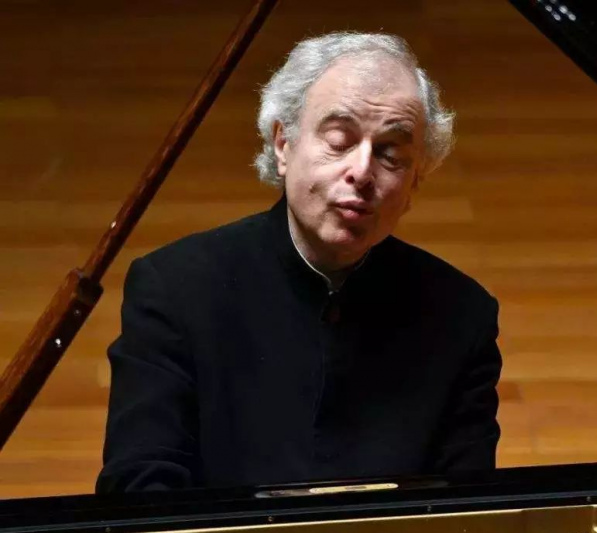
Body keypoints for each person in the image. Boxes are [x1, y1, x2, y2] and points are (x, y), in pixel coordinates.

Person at [96, 32, 502, 493]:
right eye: (339, 140)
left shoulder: (461, 315)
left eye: (391, 154)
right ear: (283, 144)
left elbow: (467, 507)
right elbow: (141, 487)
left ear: (414, 184)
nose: (362, 172)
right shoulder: (175, 289)